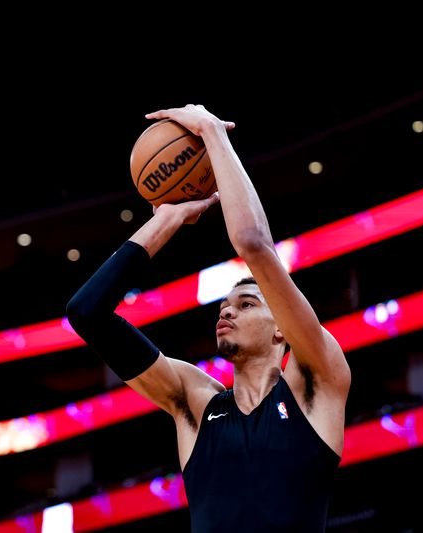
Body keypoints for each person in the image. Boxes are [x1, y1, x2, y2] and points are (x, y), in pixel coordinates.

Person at [66, 104, 351, 532]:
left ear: (282, 330)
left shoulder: (317, 381)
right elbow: (86, 313)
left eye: (248, 303)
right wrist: (169, 217)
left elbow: (253, 243)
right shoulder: (196, 404)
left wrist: (211, 131)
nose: (228, 310)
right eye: (223, 308)